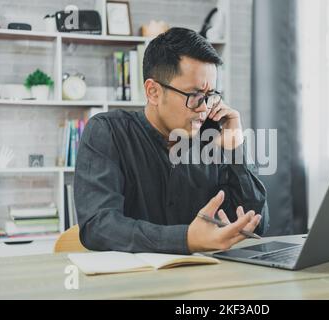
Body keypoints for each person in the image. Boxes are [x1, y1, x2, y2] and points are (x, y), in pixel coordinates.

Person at [74, 27, 269, 254]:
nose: (204, 108)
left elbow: (256, 224)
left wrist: (237, 147)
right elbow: (98, 227)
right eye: (195, 96)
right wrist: (186, 239)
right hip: (133, 283)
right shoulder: (108, 132)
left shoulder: (212, 139)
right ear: (153, 92)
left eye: (209, 96)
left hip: (205, 281)